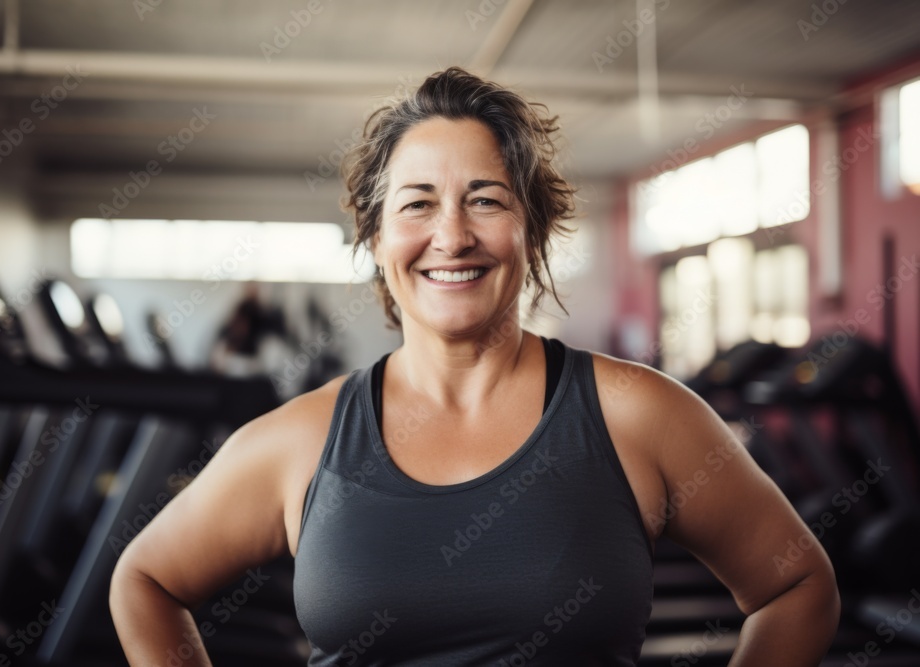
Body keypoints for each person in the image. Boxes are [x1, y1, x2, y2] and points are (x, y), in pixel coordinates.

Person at [110, 67, 839, 665]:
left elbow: (798, 586)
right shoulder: (298, 441)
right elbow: (144, 581)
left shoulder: (637, 413)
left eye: (485, 199)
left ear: (533, 229)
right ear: (375, 237)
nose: (451, 235)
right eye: (417, 204)